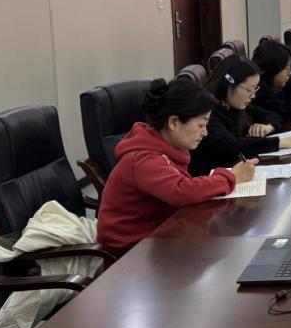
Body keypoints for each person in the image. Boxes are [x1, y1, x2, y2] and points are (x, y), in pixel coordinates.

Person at [97, 78, 256, 255]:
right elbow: (182, 190)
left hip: (158, 239)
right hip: (129, 253)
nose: (205, 132)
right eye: (201, 125)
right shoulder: (143, 159)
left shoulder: (168, 147)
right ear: (173, 122)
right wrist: (232, 176)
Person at [190, 56, 291, 176]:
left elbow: (273, 115)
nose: (253, 96)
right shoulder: (208, 114)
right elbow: (232, 147)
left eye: (255, 90)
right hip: (211, 179)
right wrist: (280, 142)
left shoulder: (236, 107)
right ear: (229, 84)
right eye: (249, 90)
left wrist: (269, 127)